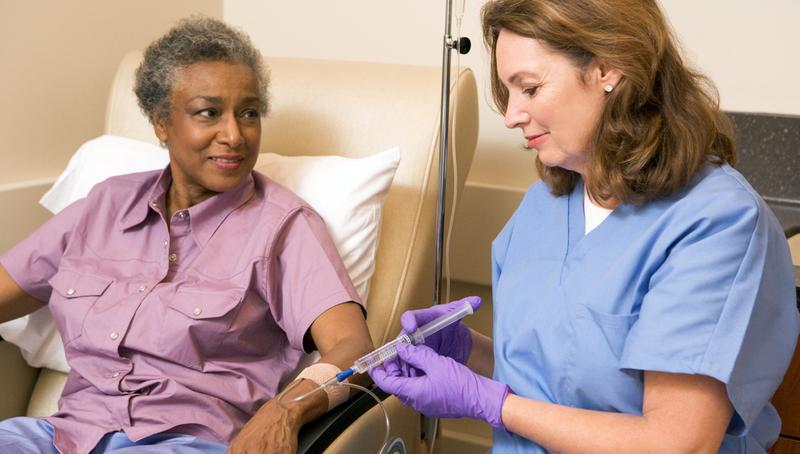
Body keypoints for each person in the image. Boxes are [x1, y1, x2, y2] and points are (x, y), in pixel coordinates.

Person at [370, 0, 799, 452]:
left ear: (607, 69)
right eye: (508, 92)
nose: (512, 114)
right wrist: (468, 352)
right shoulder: (546, 205)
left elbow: (677, 443)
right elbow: (564, 376)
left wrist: (490, 404)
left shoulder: (715, 223)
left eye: (530, 88)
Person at [0, 17, 373, 454]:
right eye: (208, 113)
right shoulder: (103, 206)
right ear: (161, 122)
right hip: (62, 437)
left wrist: (284, 411)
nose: (234, 135)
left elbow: (354, 349)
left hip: (182, 443)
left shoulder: (283, 227)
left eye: (249, 113)